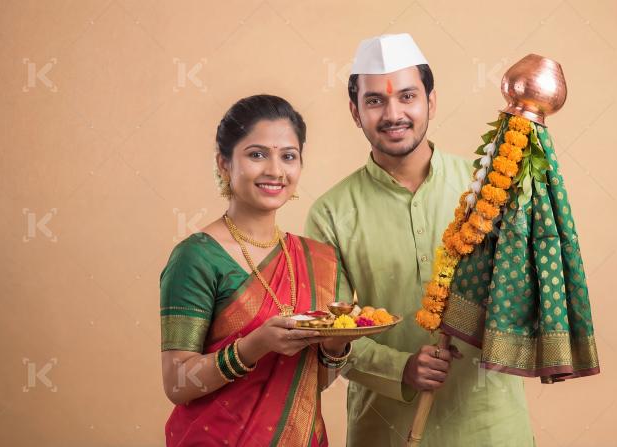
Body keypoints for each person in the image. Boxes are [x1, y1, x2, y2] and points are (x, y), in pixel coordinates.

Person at [305, 34, 536, 446]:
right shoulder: (331, 214)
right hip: (386, 429)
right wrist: (401, 367)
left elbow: (527, 298)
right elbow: (330, 337)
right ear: (355, 113)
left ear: (430, 102)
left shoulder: (489, 191)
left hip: (490, 425)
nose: (393, 113)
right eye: (375, 101)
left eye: (407, 96)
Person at [160, 94, 357, 446]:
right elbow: (177, 382)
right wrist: (254, 345)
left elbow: (316, 380)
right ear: (224, 163)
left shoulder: (319, 259)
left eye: (288, 156)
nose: (275, 171)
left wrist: (337, 345)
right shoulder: (197, 257)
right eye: (256, 154)